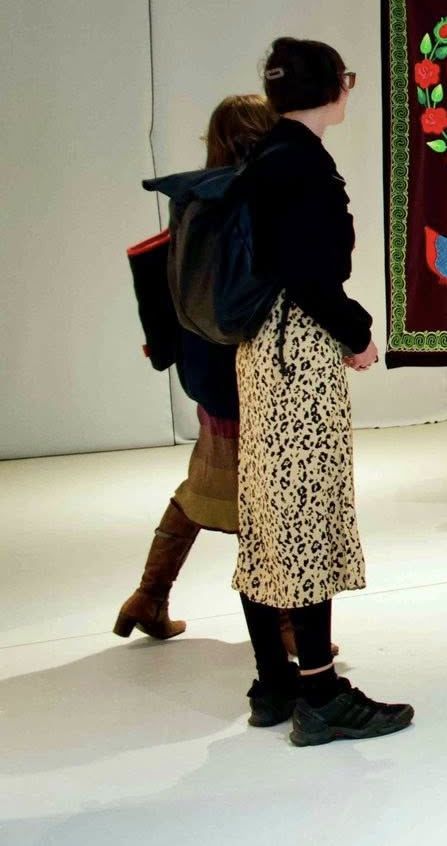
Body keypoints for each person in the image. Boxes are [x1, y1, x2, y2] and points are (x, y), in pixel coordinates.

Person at [234, 37, 412, 745]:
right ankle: (320, 691)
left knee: (266, 514)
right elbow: (310, 274)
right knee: (306, 513)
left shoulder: (262, 156)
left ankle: (272, 682)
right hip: (297, 355)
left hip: (262, 350)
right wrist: (357, 332)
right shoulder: (302, 164)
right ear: (331, 89)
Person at [116, 96, 277, 641]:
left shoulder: (192, 195)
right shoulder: (250, 197)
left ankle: (148, 596)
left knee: (208, 479)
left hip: (202, 361)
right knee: (262, 492)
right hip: (244, 363)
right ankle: (285, 623)